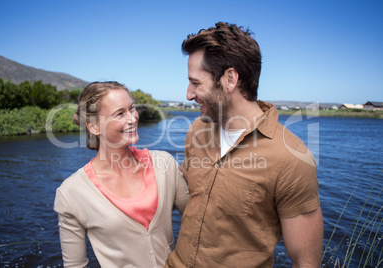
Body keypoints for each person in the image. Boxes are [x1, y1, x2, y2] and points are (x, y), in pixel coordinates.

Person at [166, 22, 323, 267]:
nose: (188, 94)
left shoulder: (292, 159)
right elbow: (192, 195)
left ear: (230, 79)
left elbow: (307, 262)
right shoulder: (197, 130)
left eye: (196, 83)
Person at [54, 81, 189, 267]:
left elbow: (198, 218)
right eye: (119, 114)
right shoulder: (71, 193)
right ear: (94, 127)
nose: (133, 118)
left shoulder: (164, 164)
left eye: (132, 108)